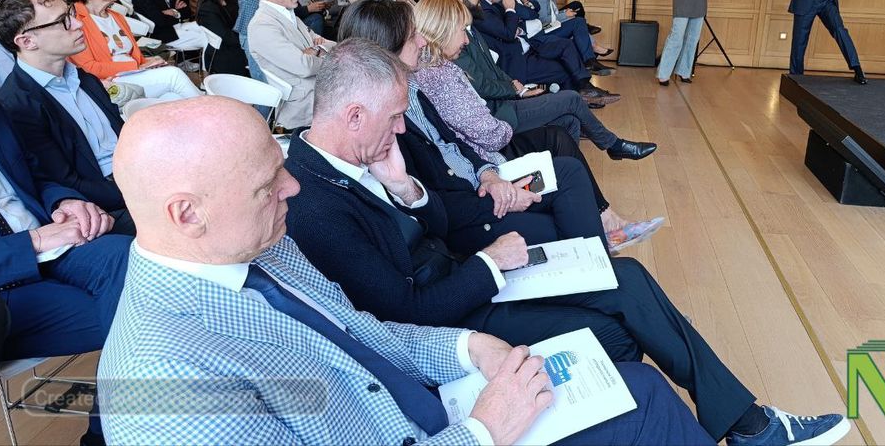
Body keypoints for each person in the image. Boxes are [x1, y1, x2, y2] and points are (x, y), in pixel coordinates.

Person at [284, 39, 852, 446]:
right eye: (394, 117)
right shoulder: (316, 201)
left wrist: (406, 186)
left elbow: (431, 223)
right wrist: (489, 264)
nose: (402, 129)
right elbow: (404, 312)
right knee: (621, 331)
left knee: (627, 282)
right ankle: (726, 423)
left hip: (469, 282)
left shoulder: (365, 156)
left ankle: (745, 424)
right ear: (354, 116)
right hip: (456, 315)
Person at [99, 94, 713, 446]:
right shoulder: (163, 377)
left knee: (635, 384)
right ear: (187, 214)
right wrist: (483, 431)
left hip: (430, 410)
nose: (292, 187)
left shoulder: (259, 250)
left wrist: (470, 349)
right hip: (446, 430)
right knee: (645, 406)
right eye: (267, 184)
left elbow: (365, 333)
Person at [411, 0, 662, 244]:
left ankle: (593, 211)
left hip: (493, 127)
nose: (466, 39)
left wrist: (515, 91)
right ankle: (598, 199)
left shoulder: (442, 66)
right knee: (569, 109)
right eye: (461, 31)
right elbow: (487, 132)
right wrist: (510, 104)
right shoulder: (440, 75)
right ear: (443, 29)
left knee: (565, 126)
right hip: (492, 138)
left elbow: (490, 79)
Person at [0, 102, 132, 446]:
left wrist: (64, 202)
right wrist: (33, 241)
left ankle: (108, 434)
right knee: (136, 317)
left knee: (127, 256)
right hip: (6, 289)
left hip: (51, 242)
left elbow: (34, 175)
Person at [435, 0, 657, 160]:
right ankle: (614, 145)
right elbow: (481, 85)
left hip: (506, 99)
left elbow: (493, 69)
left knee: (570, 121)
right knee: (571, 98)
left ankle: (567, 176)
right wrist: (515, 90)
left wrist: (518, 88)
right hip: (497, 113)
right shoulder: (452, 39)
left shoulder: (469, 28)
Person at [0, 0, 134, 233]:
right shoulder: (17, 105)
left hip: (136, 172)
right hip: (106, 207)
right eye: (63, 21)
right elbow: (69, 184)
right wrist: (141, 191)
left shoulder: (83, 77)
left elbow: (123, 135)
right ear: (27, 42)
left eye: (70, 12)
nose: (78, 23)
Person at [470, 0, 618, 106]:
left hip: (527, 46)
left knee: (566, 55)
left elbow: (528, 15)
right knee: (564, 67)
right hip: (516, 61)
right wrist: (511, 10)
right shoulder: (481, 10)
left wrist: (515, 21)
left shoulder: (495, 3)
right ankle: (581, 99)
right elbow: (508, 33)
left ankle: (583, 96)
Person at [61, 0, 202, 100]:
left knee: (172, 97)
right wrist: (137, 66)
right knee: (173, 75)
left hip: (132, 75)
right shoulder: (75, 21)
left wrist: (148, 62)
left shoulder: (117, 17)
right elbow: (88, 68)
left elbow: (133, 56)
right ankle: (209, 105)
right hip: (109, 83)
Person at [247, 0, 335, 129]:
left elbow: (332, 45)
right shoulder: (262, 26)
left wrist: (315, 50)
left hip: (322, 96)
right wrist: (329, 57)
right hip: (303, 110)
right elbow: (304, 67)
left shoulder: (289, 15)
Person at [526, 0, 614, 71]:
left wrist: (564, 14)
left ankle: (590, 59)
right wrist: (564, 15)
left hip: (548, 28)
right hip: (540, 33)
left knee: (577, 21)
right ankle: (590, 59)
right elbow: (542, 20)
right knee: (578, 22)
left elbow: (551, 15)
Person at [196, 0, 249, 76]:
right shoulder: (207, 9)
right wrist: (250, 38)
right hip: (225, 57)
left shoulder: (229, 1)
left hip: (236, 48)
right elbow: (227, 37)